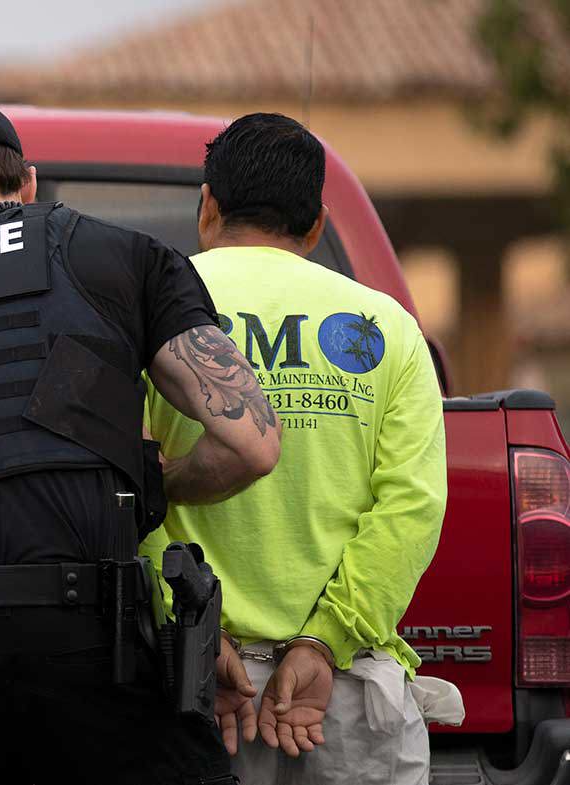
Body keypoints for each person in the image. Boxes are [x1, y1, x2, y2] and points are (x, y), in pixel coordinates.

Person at [0, 99, 281, 785]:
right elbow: (254, 443)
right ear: (27, 183)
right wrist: (153, 480)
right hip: (97, 644)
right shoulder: (114, 253)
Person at [141, 112, 448, 784]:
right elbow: (413, 505)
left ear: (208, 207)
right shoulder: (388, 329)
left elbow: (120, 491)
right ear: (315, 225)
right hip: (343, 694)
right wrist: (324, 638)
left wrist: (194, 628)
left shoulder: (146, 313)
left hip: (194, 686)